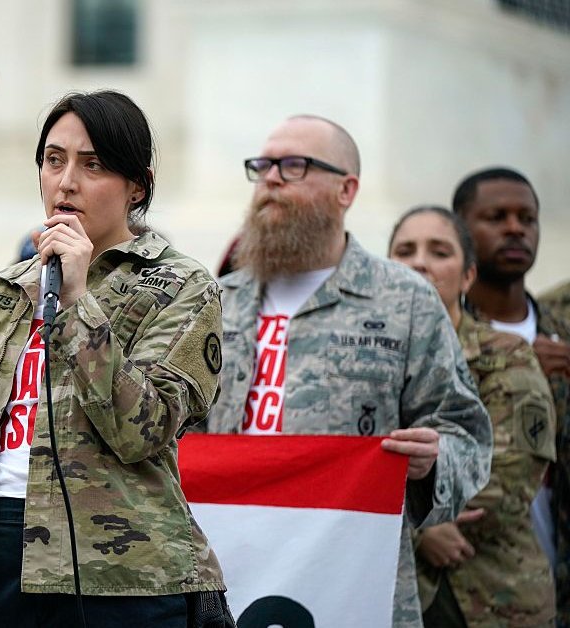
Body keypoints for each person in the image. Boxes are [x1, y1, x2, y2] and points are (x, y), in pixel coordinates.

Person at [0, 91, 231, 628]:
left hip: (121, 574)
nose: (66, 182)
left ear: (137, 186)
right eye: (54, 160)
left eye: (93, 165)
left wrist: (78, 302)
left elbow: (141, 430)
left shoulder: (181, 286)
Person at [206, 115, 491, 628]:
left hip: (349, 573)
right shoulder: (215, 302)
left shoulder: (404, 300)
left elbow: (467, 435)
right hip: (228, 563)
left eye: (294, 165)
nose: (271, 178)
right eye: (263, 165)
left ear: (347, 189)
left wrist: (432, 461)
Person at [388, 205, 556, 626]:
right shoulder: (365, 355)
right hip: (392, 592)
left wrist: (419, 518)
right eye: (405, 251)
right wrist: (419, 532)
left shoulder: (506, 355)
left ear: (468, 276)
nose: (420, 263)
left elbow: (510, 477)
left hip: (494, 593)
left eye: (440, 251)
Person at [453, 167, 570, 627]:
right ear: (461, 229)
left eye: (527, 218)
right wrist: (518, 375)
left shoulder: (560, 329)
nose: (515, 228)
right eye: (496, 217)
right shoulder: (440, 338)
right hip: (481, 582)